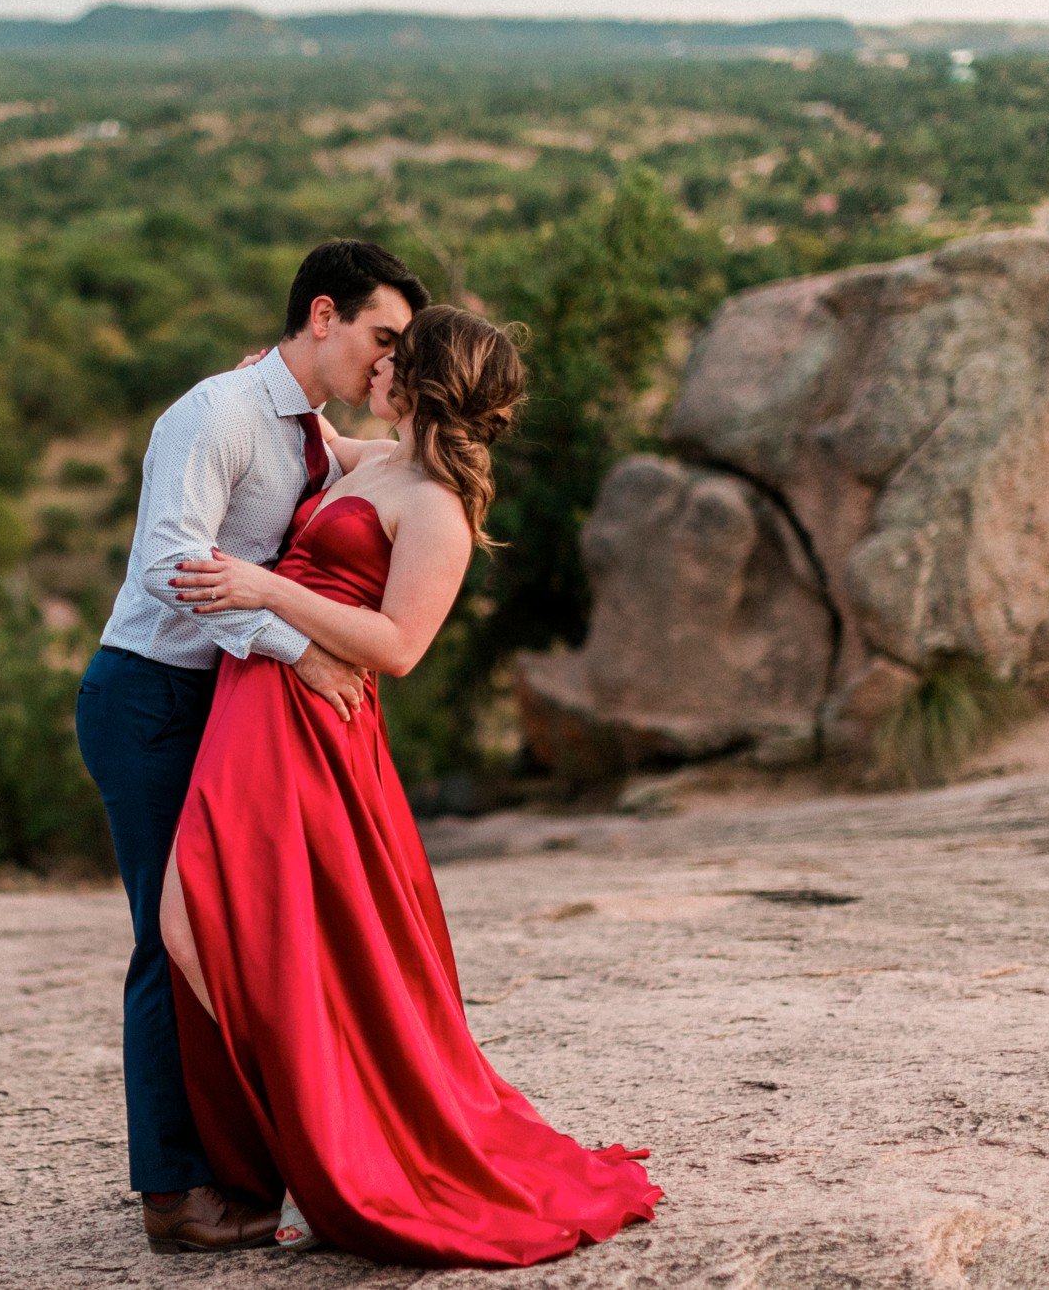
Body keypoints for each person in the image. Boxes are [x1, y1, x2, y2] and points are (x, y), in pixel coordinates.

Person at [158, 305, 663, 1267]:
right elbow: (310, 434)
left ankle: (325, 1140)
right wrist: (257, 386)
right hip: (257, 707)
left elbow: (399, 648)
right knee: (200, 925)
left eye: (397, 352)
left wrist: (266, 590)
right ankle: (301, 1136)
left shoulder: (435, 506)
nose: (380, 361)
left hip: (311, 726)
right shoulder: (378, 461)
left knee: (207, 923)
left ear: (421, 379)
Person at [74, 239, 430, 1254]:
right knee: (169, 937)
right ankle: (172, 1196)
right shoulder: (213, 414)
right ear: (322, 315)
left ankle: (252, 1165)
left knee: (240, 935)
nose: (385, 362)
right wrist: (296, 647)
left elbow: (396, 465)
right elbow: (167, 567)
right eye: (380, 336)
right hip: (148, 698)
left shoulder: (307, 431)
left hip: (225, 706)